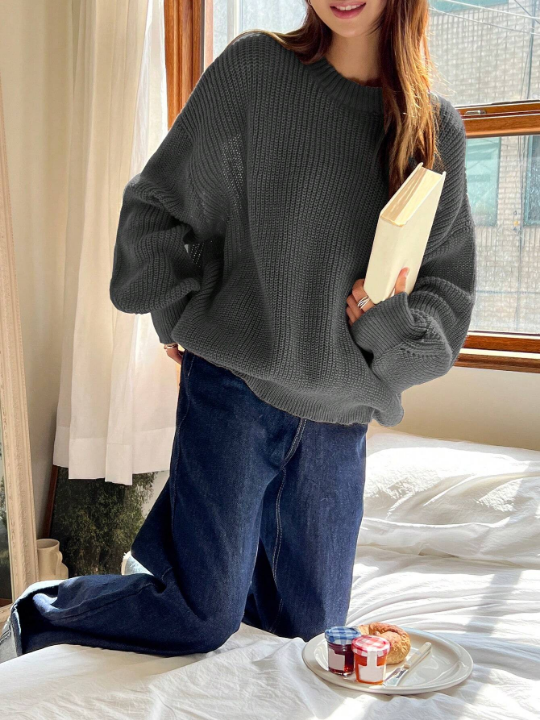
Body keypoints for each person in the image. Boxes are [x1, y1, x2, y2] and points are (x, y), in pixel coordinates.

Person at [0, 0, 476, 663]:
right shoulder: (257, 69)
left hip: (337, 423)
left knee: (309, 637)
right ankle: (37, 613)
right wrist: (176, 310)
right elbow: (157, 203)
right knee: (201, 615)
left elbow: (448, 298)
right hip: (234, 393)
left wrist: (388, 327)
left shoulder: (434, 128)